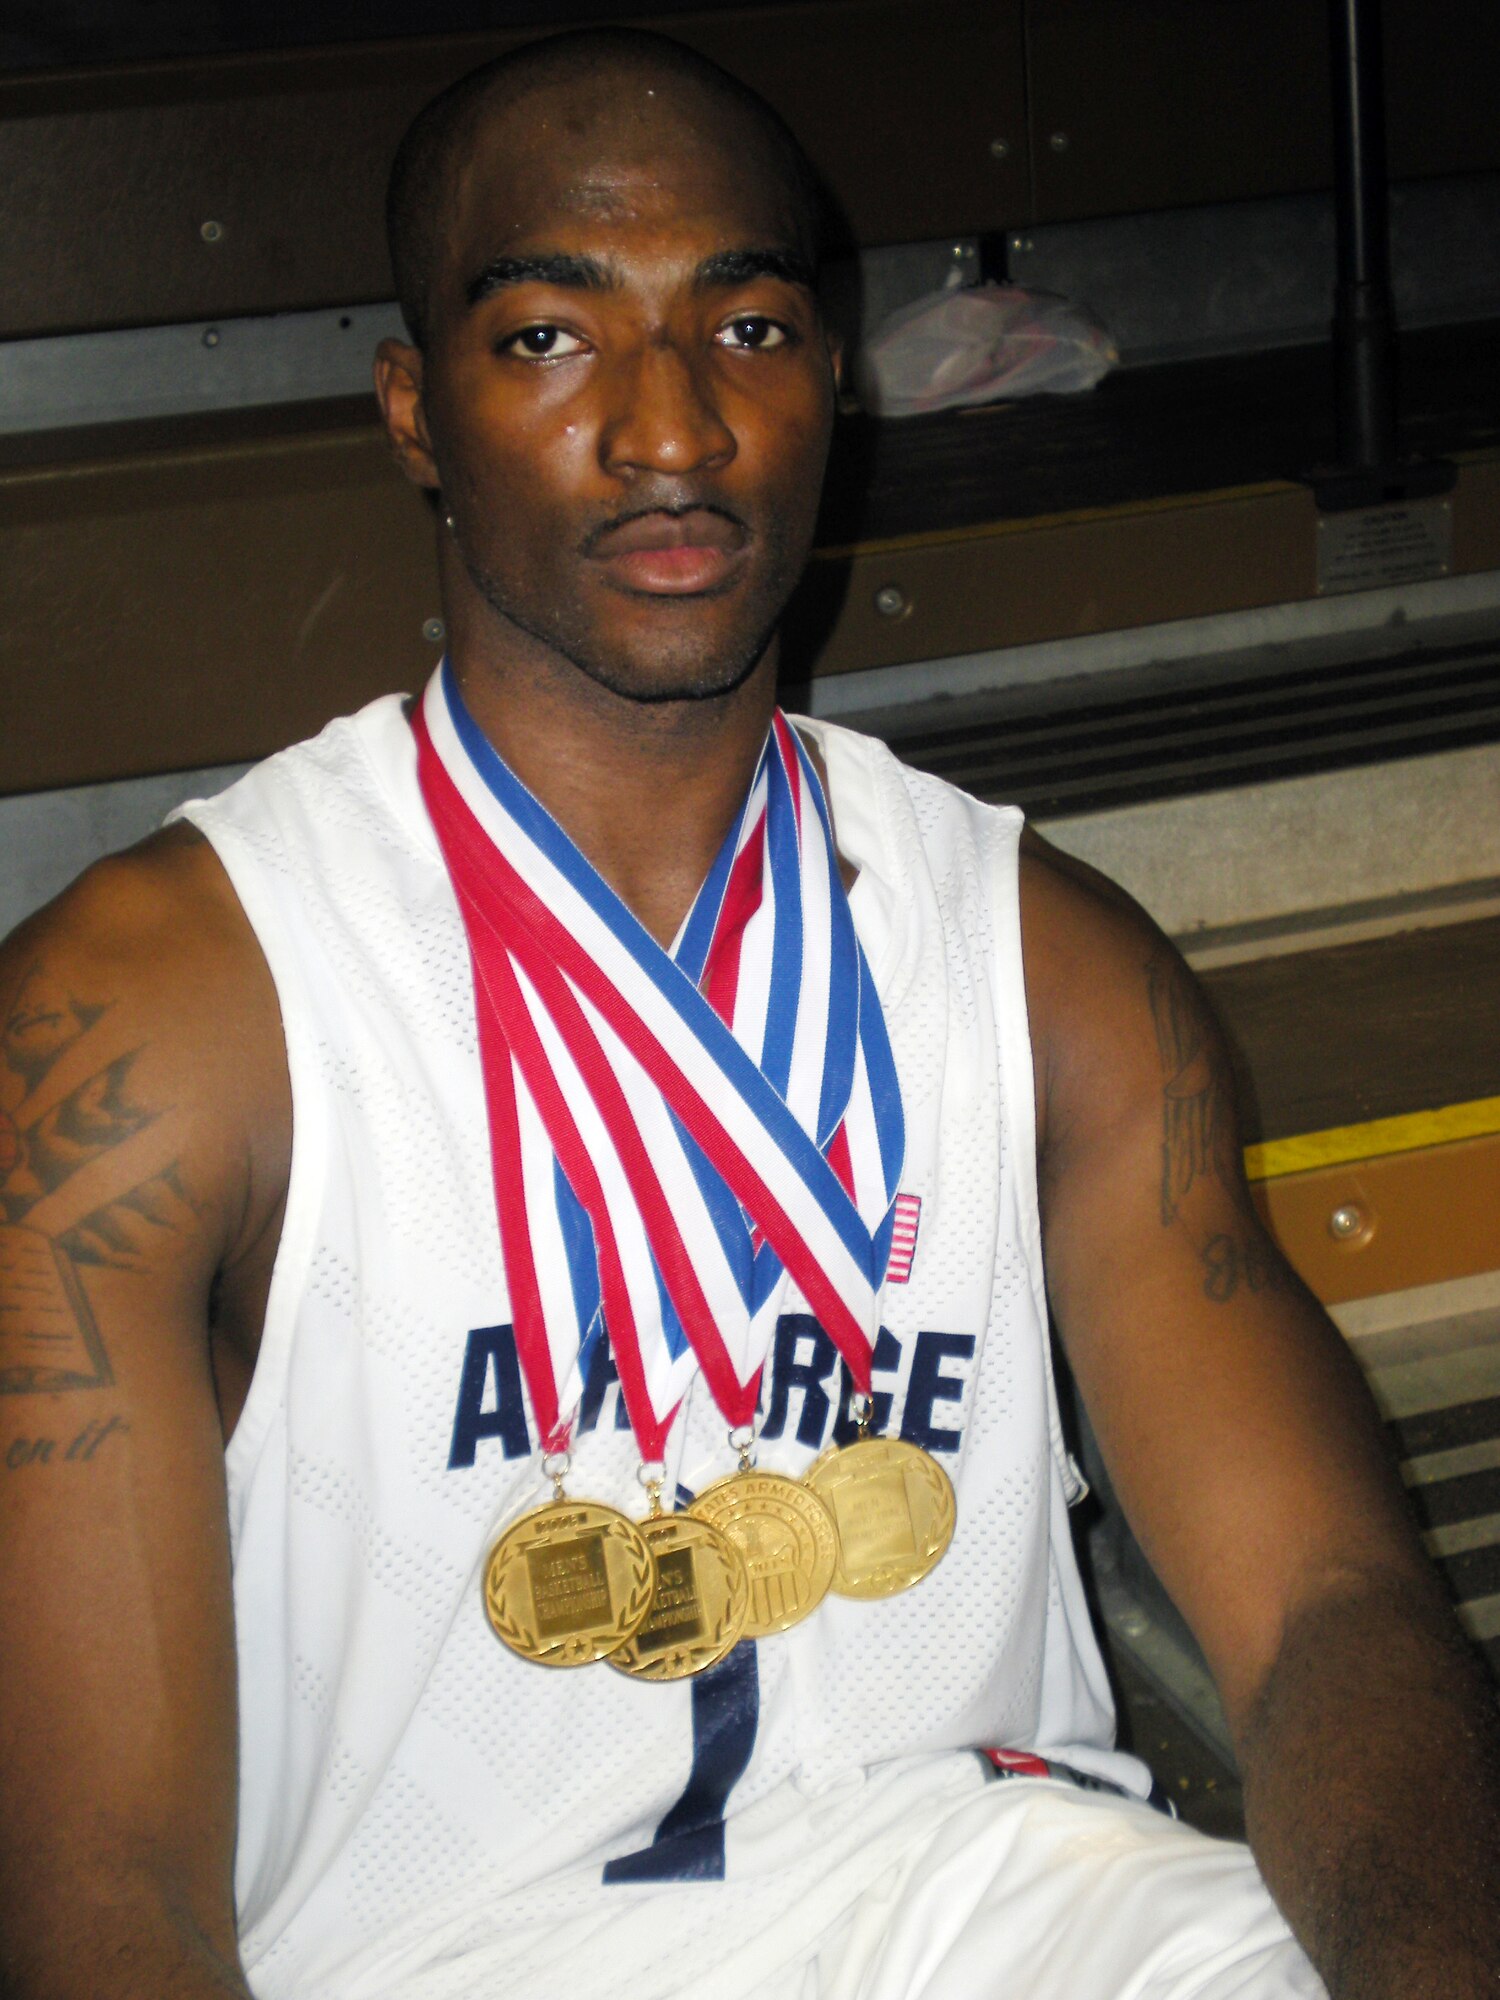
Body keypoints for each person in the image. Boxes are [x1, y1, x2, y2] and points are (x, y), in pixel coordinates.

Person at [1, 27, 1496, 2000]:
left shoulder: (1051, 966)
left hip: (1019, 1907)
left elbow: (1327, 1614)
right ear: (414, 413)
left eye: (754, 329)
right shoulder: (156, 1018)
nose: (673, 429)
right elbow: (105, 1893)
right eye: (551, 337)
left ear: (834, 394)